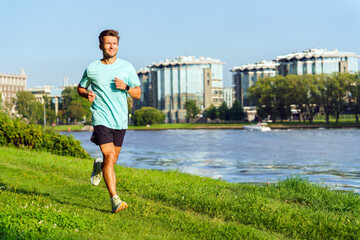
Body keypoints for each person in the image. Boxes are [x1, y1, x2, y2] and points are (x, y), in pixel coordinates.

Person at [77, 29, 141, 213]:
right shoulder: (92, 68)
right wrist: (86, 94)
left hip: (120, 119)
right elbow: (80, 88)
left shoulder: (127, 67)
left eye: (114, 43)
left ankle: (99, 165)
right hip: (101, 116)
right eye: (108, 43)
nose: (111, 46)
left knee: (111, 161)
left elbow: (137, 94)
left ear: (118, 46)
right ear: (101, 46)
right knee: (109, 156)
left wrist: (126, 87)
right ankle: (115, 200)